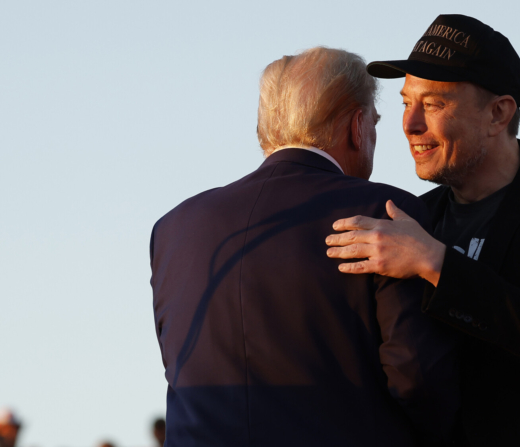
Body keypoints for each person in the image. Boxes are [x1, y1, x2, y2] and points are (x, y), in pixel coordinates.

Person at [325, 14, 520, 445]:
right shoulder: (412, 218)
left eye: (433, 104)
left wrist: (435, 263)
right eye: (405, 102)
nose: (410, 124)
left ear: (498, 113)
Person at [150, 47, 459, 447]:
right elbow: (418, 377)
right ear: (357, 124)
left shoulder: (174, 228)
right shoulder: (386, 213)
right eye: (376, 122)